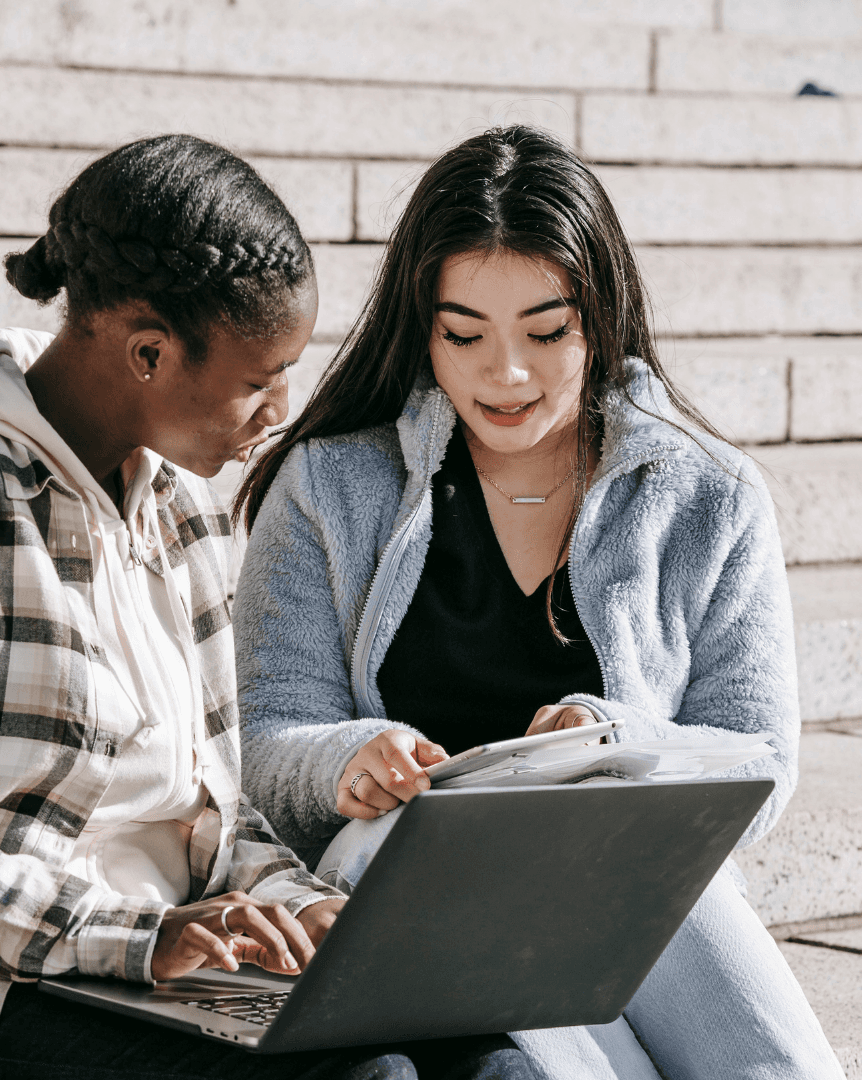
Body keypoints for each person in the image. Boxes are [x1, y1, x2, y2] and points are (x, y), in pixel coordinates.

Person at [0, 136, 534, 1080]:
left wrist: (296, 906)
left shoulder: (181, 513)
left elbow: (215, 810)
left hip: (169, 972)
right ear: (148, 351)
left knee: (495, 1063)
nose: (279, 410)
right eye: (259, 378)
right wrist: (127, 937)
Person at [231, 126, 845, 1079]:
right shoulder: (330, 485)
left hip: (623, 873)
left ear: (601, 316)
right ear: (420, 323)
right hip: (401, 869)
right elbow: (266, 734)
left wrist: (613, 742)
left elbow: (758, 760)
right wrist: (347, 757)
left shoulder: (708, 495)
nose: (505, 374)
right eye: (464, 334)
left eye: (547, 332)